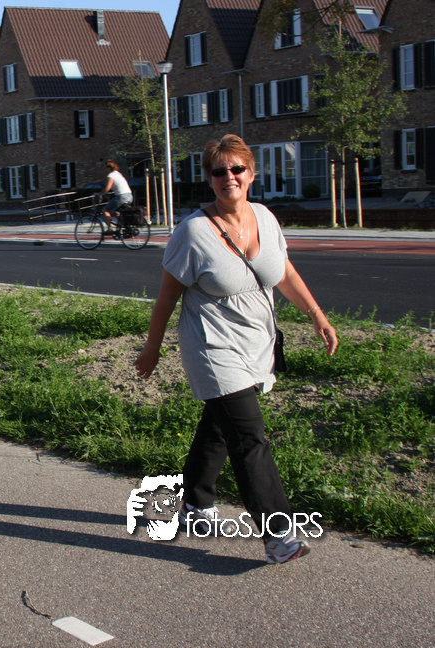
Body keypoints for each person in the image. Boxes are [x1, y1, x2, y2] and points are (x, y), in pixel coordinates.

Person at [133, 134, 338, 564]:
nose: (229, 177)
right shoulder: (193, 232)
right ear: (209, 179)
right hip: (213, 347)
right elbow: (167, 298)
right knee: (248, 436)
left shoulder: (265, 217)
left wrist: (316, 314)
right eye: (218, 171)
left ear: (251, 172)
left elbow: (283, 272)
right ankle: (278, 535)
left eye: (236, 168)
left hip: (256, 342)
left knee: (220, 424)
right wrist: (152, 348)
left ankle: (194, 503)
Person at [100, 160, 133, 228]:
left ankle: (109, 229)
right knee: (114, 211)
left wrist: (99, 194)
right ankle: (125, 225)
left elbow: (107, 188)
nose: (105, 169)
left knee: (105, 210)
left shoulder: (111, 175)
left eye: (106, 167)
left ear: (109, 168)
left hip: (122, 197)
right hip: (129, 196)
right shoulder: (118, 174)